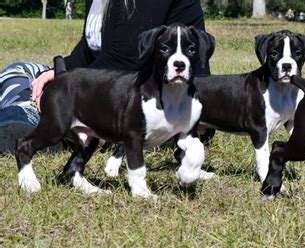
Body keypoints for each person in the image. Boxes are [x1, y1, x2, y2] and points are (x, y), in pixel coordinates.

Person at [0, 0, 209, 153]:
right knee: (21, 70)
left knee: (39, 91)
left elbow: (127, 58)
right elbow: (89, 47)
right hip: (120, 90)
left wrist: (64, 88)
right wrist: (58, 72)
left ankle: (28, 121)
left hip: (160, 109)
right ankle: (34, 117)